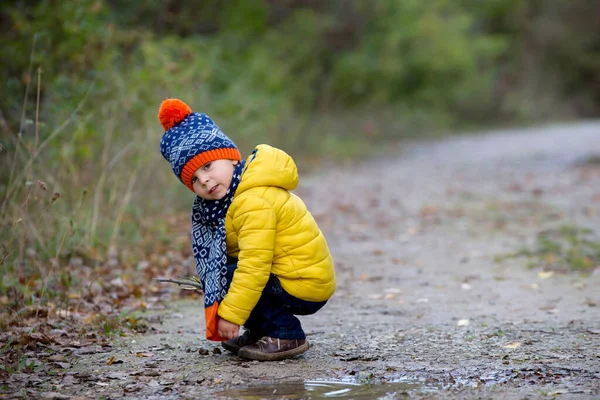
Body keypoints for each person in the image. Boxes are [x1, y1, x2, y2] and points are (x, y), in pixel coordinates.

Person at [158, 98, 336, 361]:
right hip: (290, 275)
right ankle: (262, 330)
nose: (204, 179)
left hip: (304, 283)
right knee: (226, 269)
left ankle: (285, 334)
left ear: (230, 158)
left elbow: (254, 266)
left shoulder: (252, 201)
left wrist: (231, 315)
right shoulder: (230, 200)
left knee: (230, 275)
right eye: (194, 179)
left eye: (207, 166)